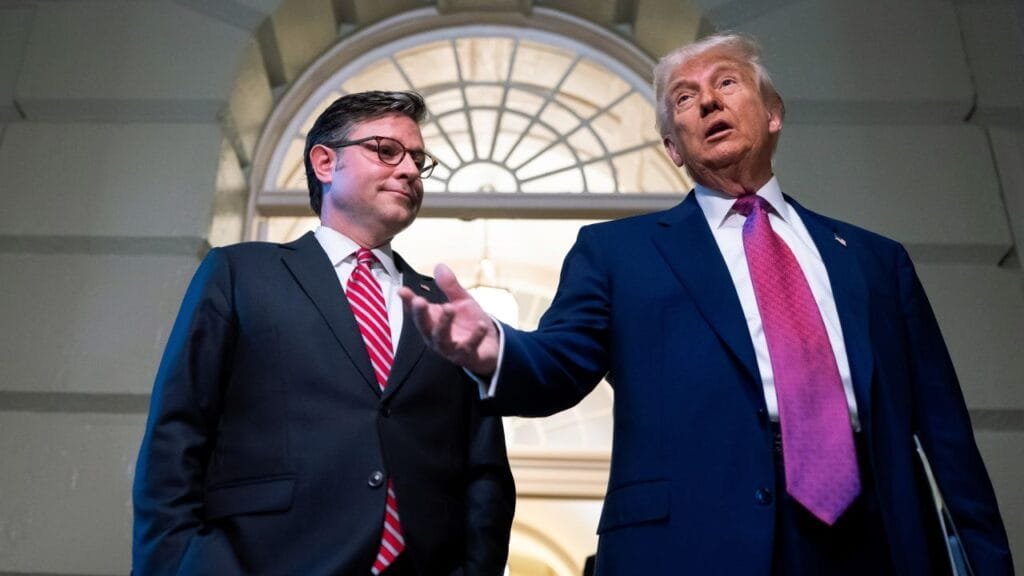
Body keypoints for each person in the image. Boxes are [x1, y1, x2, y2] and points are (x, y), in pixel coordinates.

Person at [401, 34, 1013, 575]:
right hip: (694, 539)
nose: (709, 102)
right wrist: (496, 351)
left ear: (773, 113)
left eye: (727, 83)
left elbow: (947, 436)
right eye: (685, 98)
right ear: (673, 147)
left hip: (876, 536)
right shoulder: (618, 253)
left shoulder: (875, 260)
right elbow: (560, 361)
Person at [133, 90, 515, 576]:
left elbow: (485, 467)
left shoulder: (447, 309)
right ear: (324, 162)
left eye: (418, 160)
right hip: (261, 561)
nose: (409, 170)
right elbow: (177, 433)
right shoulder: (240, 273)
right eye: (387, 150)